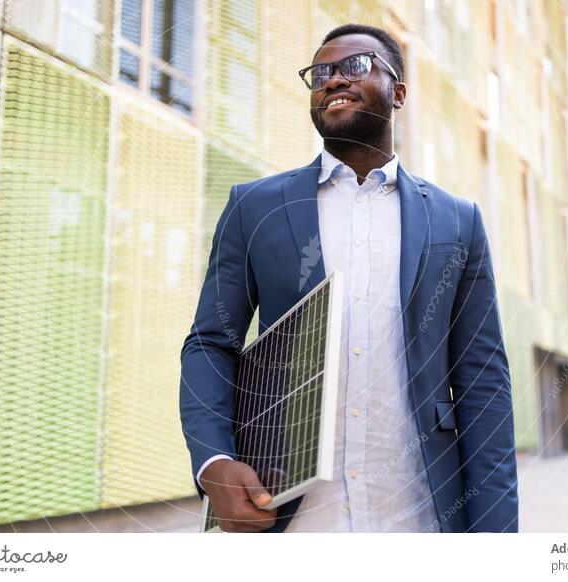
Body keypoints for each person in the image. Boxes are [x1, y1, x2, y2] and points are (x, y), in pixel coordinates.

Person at [179, 23, 518, 533]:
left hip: (418, 520)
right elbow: (210, 344)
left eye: (355, 66)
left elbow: (483, 382)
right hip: (289, 521)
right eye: (321, 72)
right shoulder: (254, 208)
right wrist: (213, 464)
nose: (333, 79)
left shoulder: (457, 220)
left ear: (398, 92)